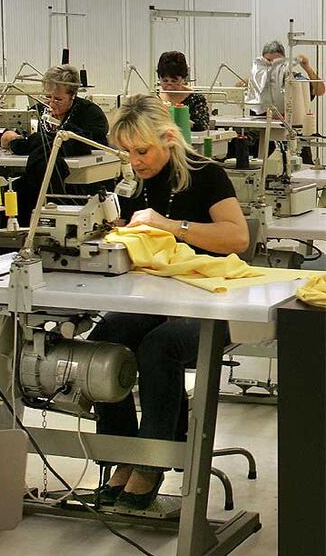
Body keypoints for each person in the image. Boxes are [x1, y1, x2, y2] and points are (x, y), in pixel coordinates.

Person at [89, 94, 249, 510]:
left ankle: (152, 463)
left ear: (169, 139)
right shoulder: (135, 183)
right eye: (127, 153)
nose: (135, 161)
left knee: (160, 345)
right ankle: (122, 454)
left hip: (213, 298)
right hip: (158, 294)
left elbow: (237, 238)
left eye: (142, 151)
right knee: (104, 338)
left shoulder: (206, 174)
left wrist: (169, 226)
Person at [0, 65, 109, 226]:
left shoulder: (90, 114)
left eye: (58, 99)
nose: (51, 103)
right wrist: (8, 135)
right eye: (47, 97)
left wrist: (24, 142)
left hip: (79, 183)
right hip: (40, 177)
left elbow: (84, 142)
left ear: (73, 95)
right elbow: (21, 133)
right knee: (12, 191)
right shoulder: (38, 111)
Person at [157, 51, 209, 131]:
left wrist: (180, 119)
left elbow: (202, 126)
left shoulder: (196, 99)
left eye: (174, 81)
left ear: (183, 78)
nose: (169, 87)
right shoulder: (155, 99)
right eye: (165, 81)